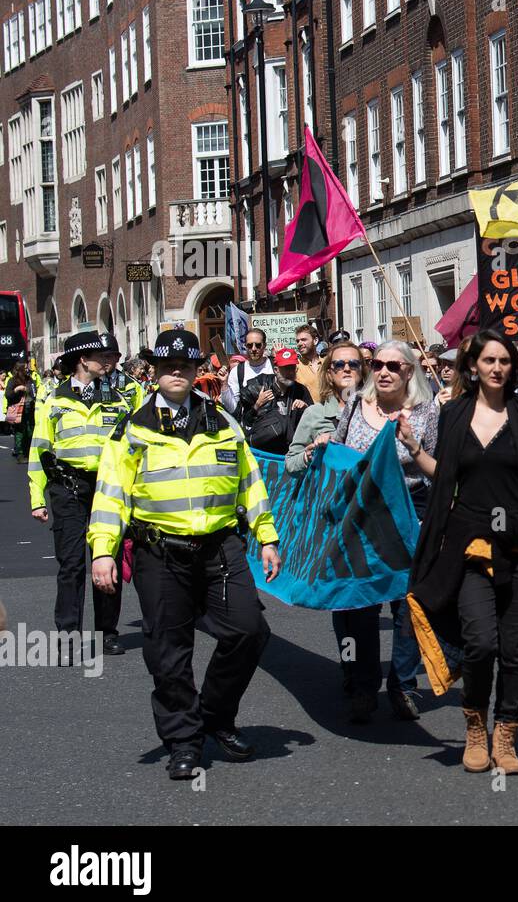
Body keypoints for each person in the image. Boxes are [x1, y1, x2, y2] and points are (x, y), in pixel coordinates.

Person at [88, 329, 282, 781]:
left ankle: (214, 716)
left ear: (197, 371)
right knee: (167, 652)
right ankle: (184, 740)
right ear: (155, 372)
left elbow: (249, 482)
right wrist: (103, 552)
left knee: (248, 630)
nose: (176, 372)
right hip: (161, 552)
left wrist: (267, 536)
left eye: (185, 365)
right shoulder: (133, 427)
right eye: (167, 366)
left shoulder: (222, 422)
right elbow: (111, 494)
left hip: (219, 547)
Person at [408, 329, 518, 773]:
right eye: (489, 361)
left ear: (513, 369)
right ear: (474, 367)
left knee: (514, 649)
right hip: (468, 543)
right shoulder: (455, 413)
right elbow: (446, 477)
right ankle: (475, 726)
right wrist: (413, 449)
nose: (497, 368)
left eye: (504, 361)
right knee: (481, 642)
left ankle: (507, 734)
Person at [331, 339, 439, 722]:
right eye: (377, 364)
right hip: (359, 516)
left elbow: (434, 468)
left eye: (394, 366)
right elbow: (337, 453)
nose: (384, 372)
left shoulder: (427, 411)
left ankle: (403, 684)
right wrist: (320, 444)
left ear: (409, 371)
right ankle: (361, 684)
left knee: (408, 607)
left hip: (410, 515)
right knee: (358, 605)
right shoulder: (355, 406)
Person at [28, 332, 134, 660]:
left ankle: (108, 633)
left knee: (108, 560)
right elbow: (39, 450)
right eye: (103, 356)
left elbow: (130, 453)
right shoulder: (55, 400)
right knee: (71, 563)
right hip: (68, 487)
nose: (110, 361)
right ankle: (68, 634)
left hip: (107, 488)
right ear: (82, 360)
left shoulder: (118, 401)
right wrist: (37, 498)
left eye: (112, 356)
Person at [286, 340, 365, 474]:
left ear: (362, 371)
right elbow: (291, 464)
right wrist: (309, 455)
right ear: (329, 374)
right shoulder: (314, 413)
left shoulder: (377, 411)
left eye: (353, 364)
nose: (346, 369)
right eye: (339, 365)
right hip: (330, 491)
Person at [240, 347, 313, 454]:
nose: (289, 372)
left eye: (292, 368)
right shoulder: (258, 386)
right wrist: (257, 405)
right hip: (263, 451)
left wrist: (306, 408)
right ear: (276, 370)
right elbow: (246, 422)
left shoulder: (300, 390)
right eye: (285, 368)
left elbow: (313, 420)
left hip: (289, 451)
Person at [220, 328, 274, 414]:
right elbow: (232, 408)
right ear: (245, 346)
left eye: (258, 345)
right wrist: (224, 384)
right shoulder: (237, 372)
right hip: (250, 424)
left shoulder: (274, 366)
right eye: (249, 345)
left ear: (264, 346)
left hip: (274, 422)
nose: (253, 348)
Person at [6, 362, 35, 461]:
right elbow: (8, 395)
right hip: (19, 410)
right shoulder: (12, 380)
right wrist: (17, 389)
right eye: (25, 368)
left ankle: (28, 452)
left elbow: (34, 392)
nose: (27, 370)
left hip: (29, 409)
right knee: (20, 432)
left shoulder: (29, 379)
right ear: (20, 369)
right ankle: (20, 453)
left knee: (30, 431)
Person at [294, 324, 324, 398]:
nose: (300, 344)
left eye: (304, 340)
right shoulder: (295, 367)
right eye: (298, 341)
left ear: (315, 341)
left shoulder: (327, 363)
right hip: (306, 409)